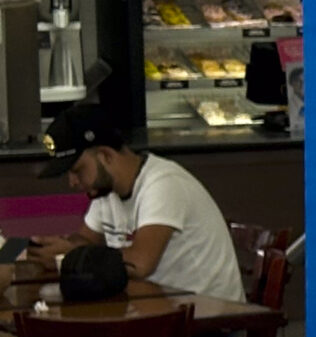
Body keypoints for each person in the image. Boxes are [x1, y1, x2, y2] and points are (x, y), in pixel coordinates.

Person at [32, 107, 245, 304]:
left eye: (77, 170)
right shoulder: (105, 191)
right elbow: (85, 240)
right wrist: (57, 250)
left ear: (105, 156)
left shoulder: (163, 184)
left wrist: (76, 255)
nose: (72, 182)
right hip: (161, 309)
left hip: (211, 317)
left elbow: (141, 263)